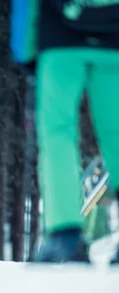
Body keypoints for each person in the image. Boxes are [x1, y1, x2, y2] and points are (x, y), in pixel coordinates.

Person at [11, 0, 119, 262]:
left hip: (60, 39)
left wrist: (24, 52)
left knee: (58, 134)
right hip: (115, 40)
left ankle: (65, 235)